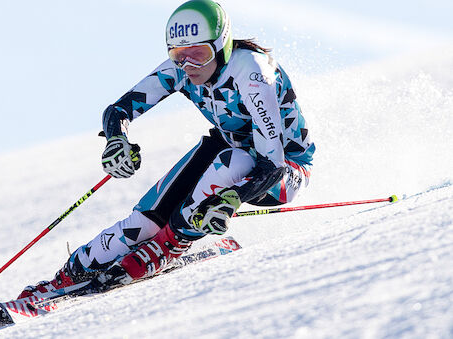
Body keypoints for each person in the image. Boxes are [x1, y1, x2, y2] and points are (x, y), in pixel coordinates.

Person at [18, 0, 315, 298]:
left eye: (200, 54)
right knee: (145, 221)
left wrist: (233, 199)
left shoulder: (251, 73)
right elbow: (119, 109)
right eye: (179, 55)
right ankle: (71, 273)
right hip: (229, 146)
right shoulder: (181, 69)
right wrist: (116, 140)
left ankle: (170, 244)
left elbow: (272, 166)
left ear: (222, 45)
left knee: (232, 161)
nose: (189, 66)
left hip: (285, 171)